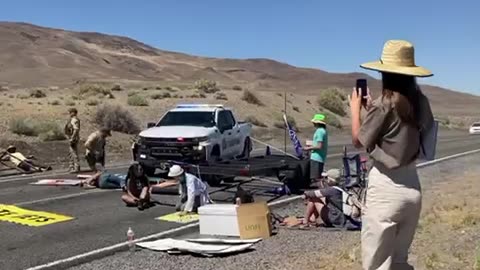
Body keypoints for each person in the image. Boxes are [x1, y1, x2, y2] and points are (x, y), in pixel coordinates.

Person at [350, 40, 434, 270]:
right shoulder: (420, 102)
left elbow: (358, 140)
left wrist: (355, 110)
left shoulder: (385, 103)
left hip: (385, 192)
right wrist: (371, 111)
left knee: (377, 265)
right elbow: (397, 131)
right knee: (399, 262)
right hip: (412, 190)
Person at [303, 114, 328, 181]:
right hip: (320, 157)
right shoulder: (323, 131)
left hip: (316, 158)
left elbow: (319, 146)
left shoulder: (319, 131)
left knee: (315, 178)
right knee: (317, 177)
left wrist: (308, 148)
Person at [65, 108, 81, 173]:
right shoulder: (72, 119)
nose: (69, 114)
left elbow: (76, 129)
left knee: (74, 153)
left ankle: (76, 167)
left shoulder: (74, 120)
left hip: (73, 138)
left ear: (73, 112)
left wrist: (72, 138)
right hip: (71, 137)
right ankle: (71, 166)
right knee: (71, 153)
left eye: (70, 112)